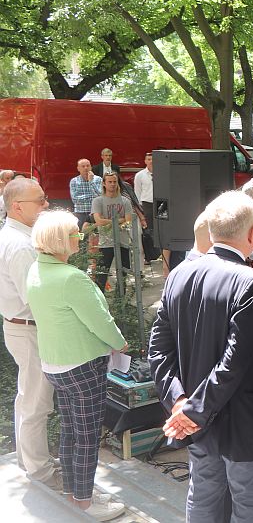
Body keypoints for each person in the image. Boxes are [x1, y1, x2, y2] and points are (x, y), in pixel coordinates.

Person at [149, 190, 253, 522]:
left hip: (197, 420)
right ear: (252, 234)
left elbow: (157, 351)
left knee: (203, 497)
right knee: (248, 508)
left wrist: (180, 402)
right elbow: (233, 362)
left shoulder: (179, 274)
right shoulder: (251, 283)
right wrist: (191, 411)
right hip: (242, 423)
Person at [26, 210, 126, 521]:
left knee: (71, 431)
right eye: (74, 235)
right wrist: (120, 343)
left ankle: (73, 491)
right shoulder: (72, 278)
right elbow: (101, 322)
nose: (79, 239)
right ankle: (84, 499)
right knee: (86, 435)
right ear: (60, 240)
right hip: (82, 365)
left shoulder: (36, 270)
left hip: (54, 364)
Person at [0, 179, 60, 492]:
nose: (46, 205)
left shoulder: (13, 236)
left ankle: (30, 460)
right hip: (29, 329)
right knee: (37, 404)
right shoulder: (21, 244)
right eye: (40, 200)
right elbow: (34, 299)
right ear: (17, 206)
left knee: (28, 399)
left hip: (20, 327)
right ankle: (39, 470)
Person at [91, 172, 133, 291]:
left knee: (123, 276)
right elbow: (98, 221)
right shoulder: (98, 201)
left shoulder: (125, 201)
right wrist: (119, 220)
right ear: (104, 183)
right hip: (105, 243)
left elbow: (128, 221)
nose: (113, 184)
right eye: (110, 182)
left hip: (123, 242)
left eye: (115, 182)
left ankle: (121, 302)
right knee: (101, 275)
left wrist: (110, 221)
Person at [69, 158, 102, 228]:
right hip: (80, 213)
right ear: (78, 168)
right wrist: (91, 197)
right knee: (81, 236)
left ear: (91, 167)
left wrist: (91, 182)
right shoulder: (74, 181)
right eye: (83, 166)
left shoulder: (98, 179)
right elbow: (75, 200)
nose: (86, 168)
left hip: (95, 213)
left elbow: (100, 198)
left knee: (95, 236)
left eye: (88, 166)